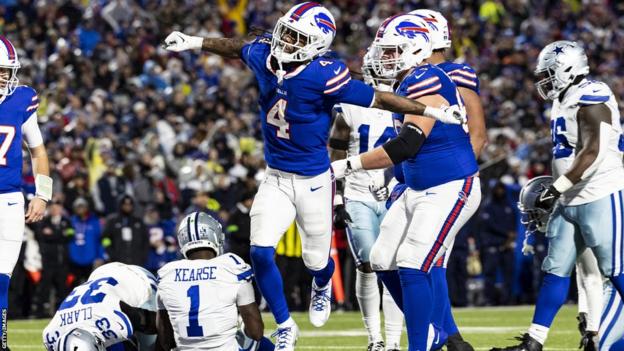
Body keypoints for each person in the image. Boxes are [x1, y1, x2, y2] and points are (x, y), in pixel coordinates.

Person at [163, 3, 464, 349]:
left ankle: (322, 284)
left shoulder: (325, 75)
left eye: (296, 37)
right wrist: (192, 41)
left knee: (316, 262)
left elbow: (380, 99)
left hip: (315, 181)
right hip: (275, 177)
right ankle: (286, 324)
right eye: (286, 31)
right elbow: (235, 47)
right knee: (260, 252)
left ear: (315, 44)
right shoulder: (265, 55)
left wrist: (428, 111)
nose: (284, 40)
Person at [332, 14, 481, 350]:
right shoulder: (406, 82)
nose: (382, 57)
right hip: (416, 187)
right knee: (382, 258)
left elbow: (407, 144)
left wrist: (343, 167)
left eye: (391, 50)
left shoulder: (426, 77)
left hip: (449, 185)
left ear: (416, 50)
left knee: (413, 261)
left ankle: (420, 343)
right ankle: (431, 331)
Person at [490, 41, 624, 351]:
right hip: (570, 197)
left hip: (599, 193)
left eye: (550, 74)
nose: (545, 82)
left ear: (567, 70)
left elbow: (593, 152)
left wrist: (556, 189)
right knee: (555, 269)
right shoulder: (563, 97)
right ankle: (534, 341)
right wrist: (561, 190)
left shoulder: (593, 95)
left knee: (615, 271)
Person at [409, 9, 487, 350]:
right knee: (425, 260)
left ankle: (448, 335)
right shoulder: (414, 75)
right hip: (420, 179)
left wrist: (453, 174)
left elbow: (478, 134)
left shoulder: (455, 73)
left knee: (429, 260)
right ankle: (448, 335)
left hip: (447, 181)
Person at [329, 51, 403, 351]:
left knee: (394, 265)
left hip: (394, 193)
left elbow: (412, 148)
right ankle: (375, 339)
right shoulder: (351, 106)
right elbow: (335, 149)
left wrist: (398, 181)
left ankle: (395, 342)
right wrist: (336, 196)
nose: (388, 69)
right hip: (357, 193)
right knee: (368, 264)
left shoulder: (406, 102)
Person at [156, 211, 273, 351]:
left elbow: (166, 341)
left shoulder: (167, 274)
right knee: (262, 344)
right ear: (214, 235)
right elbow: (256, 333)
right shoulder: (231, 266)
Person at [0, 35, 51, 351]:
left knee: (2, 276)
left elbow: (39, 151)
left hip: (9, 200)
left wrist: (42, 193)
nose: (5, 76)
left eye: (7, 70)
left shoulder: (21, 100)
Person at [42, 262, 158, 351]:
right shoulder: (50, 335)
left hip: (138, 279)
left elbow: (153, 322)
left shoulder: (112, 322)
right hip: (99, 278)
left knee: (149, 345)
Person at [34, 201, 74, 317]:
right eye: (53, 207)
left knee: (62, 289)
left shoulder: (67, 221)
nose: (55, 209)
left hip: (63, 262)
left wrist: (53, 234)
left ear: (61, 208)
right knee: (44, 288)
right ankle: (40, 312)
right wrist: (61, 234)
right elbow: (41, 235)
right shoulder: (44, 221)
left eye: (57, 207)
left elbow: (70, 235)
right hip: (48, 261)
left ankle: (61, 313)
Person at [101, 195, 150, 266]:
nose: (127, 207)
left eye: (130, 204)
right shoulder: (112, 221)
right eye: (125, 204)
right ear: (120, 205)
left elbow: (145, 240)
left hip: (136, 261)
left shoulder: (138, 222)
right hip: (117, 261)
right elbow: (105, 239)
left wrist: (143, 255)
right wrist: (110, 252)